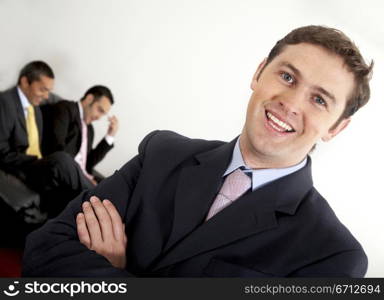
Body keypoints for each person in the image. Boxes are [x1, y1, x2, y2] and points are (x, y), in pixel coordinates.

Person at [23, 25, 373, 277]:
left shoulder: (332, 257)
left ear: (336, 128)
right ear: (259, 73)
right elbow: (45, 250)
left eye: (319, 99)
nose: (291, 103)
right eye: (287, 77)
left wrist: (119, 273)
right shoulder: (161, 153)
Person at [0, 61, 94, 218]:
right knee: (62, 159)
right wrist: (34, 160)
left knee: (69, 189)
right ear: (24, 81)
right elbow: (1, 151)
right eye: (43, 90)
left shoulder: (34, 106)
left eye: (49, 91)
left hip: (39, 167)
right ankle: (101, 200)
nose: (46, 96)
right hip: (23, 167)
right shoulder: (5, 102)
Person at [42, 85, 118, 184]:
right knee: (97, 193)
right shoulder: (65, 109)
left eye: (103, 114)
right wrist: (85, 180)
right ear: (89, 99)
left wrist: (110, 135)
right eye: (100, 110)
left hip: (83, 177)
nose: (99, 117)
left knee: (113, 186)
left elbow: (88, 163)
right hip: (66, 175)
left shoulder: (90, 129)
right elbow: (57, 150)